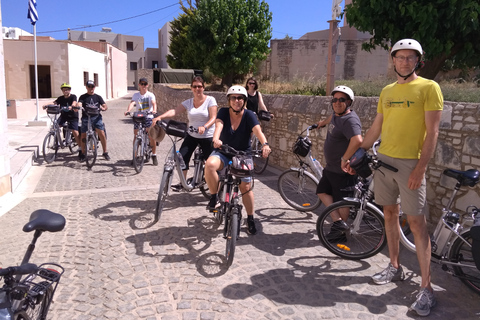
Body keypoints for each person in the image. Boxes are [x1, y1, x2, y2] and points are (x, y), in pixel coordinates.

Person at [359, 39, 443, 316]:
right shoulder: (386, 91)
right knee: (390, 215)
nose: (405, 62)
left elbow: (432, 133)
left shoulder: (429, 87)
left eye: (411, 57)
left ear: (418, 60)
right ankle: (394, 266)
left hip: (410, 164)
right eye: (400, 57)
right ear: (393, 60)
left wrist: (420, 169)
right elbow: (376, 127)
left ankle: (426, 287)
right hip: (383, 161)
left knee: (417, 224)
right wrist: (355, 153)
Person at [204, 85, 271, 235]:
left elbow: (257, 131)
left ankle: (251, 218)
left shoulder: (249, 115)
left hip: (242, 155)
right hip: (224, 151)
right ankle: (214, 197)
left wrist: (265, 144)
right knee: (209, 165)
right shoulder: (223, 112)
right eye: (233, 98)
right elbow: (218, 125)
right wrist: (215, 139)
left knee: (245, 187)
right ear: (229, 100)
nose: (236, 100)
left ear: (244, 100)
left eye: (240, 98)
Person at [152, 76, 217, 190]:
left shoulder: (210, 100)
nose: (197, 89)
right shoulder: (189, 102)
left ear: (204, 87)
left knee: (211, 163)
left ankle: (214, 188)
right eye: (195, 86)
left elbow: (213, 117)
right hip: (192, 135)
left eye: (200, 86)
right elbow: (175, 111)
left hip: (207, 136)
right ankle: (183, 183)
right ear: (191, 88)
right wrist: (160, 117)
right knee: (182, 157)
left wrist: (205, 126)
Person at [316, 86, 362, 242]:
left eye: (341, 100)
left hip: (343, 171)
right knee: (322, 191)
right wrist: (322, 123)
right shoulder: (337, 115)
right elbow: (331, 118)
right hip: (331, 168)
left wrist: (344, 159)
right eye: (334, 100)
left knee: (343, 202)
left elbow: (357, 140)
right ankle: (339, 223)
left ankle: (341, 234)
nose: (337, 103)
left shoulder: (350, 120)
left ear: (349, 102)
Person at [125, 77, 158, 166]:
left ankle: (154, 155)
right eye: (142, 84)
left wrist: (154, 110)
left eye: (145, 84)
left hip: (148, 116)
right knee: (136, 136)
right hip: (138, 116)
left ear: (147, 85)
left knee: (151, 136)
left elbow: (154, 103)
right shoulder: (136, 95)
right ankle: (135, 157)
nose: (143, 86)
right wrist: (128, 110)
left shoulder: (150, 95)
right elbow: (132, 103)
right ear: (139, 85)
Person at [43, 83, 81, 155]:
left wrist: (72, 106)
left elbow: (74, 102)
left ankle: (80, 148)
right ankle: (57, 142)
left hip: (73, 116)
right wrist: (46, 105)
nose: (65, 91)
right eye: (64, 90)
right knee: (55, 125)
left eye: (67, 90)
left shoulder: (73, 96)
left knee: (75, 131)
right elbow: (54, 103)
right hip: (64, 116)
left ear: (69, 90)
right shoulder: (61, 98)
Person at [78, 80, 110, 161]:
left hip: (96, 117)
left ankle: (105, 152)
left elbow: (105, 105)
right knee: (83, 135)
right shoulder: (83, 97)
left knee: (101, 133)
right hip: (86, 117)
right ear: (86, 87)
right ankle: (82, 153)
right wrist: (79, 106)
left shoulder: (98, 97)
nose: (91, 88)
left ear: (94, 87)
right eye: (89, 86)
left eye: (92, 86)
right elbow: (80, 103)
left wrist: (104, 108)